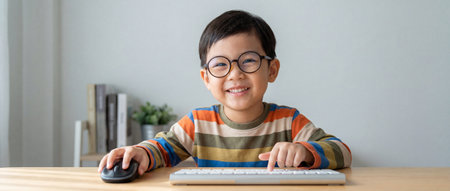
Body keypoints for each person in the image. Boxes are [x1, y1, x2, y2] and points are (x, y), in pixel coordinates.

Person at [98, 10, 351, 176]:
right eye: (220, 64)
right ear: (206, 78)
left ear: (272, 69)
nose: (235, 74)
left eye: (248, 61)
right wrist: (141, 152)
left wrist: (306, 152)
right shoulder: (197, 124)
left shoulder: (289, 121)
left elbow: (342, 151)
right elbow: (162, 149)